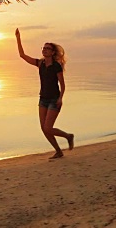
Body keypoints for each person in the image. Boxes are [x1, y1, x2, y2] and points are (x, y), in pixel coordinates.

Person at [15, 28, 74, 159]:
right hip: (43, 99)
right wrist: (18, 38)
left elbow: (62, 84)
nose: (44, 50)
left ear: (52, 52)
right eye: (44, 48)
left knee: (48, 128)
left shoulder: (56, 66)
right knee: (44, 128)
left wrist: (60, 98)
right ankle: (58, 151)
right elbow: (22, 55)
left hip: (54, 99)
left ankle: (68, 136)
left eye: (47, 48)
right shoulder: (40, 63)